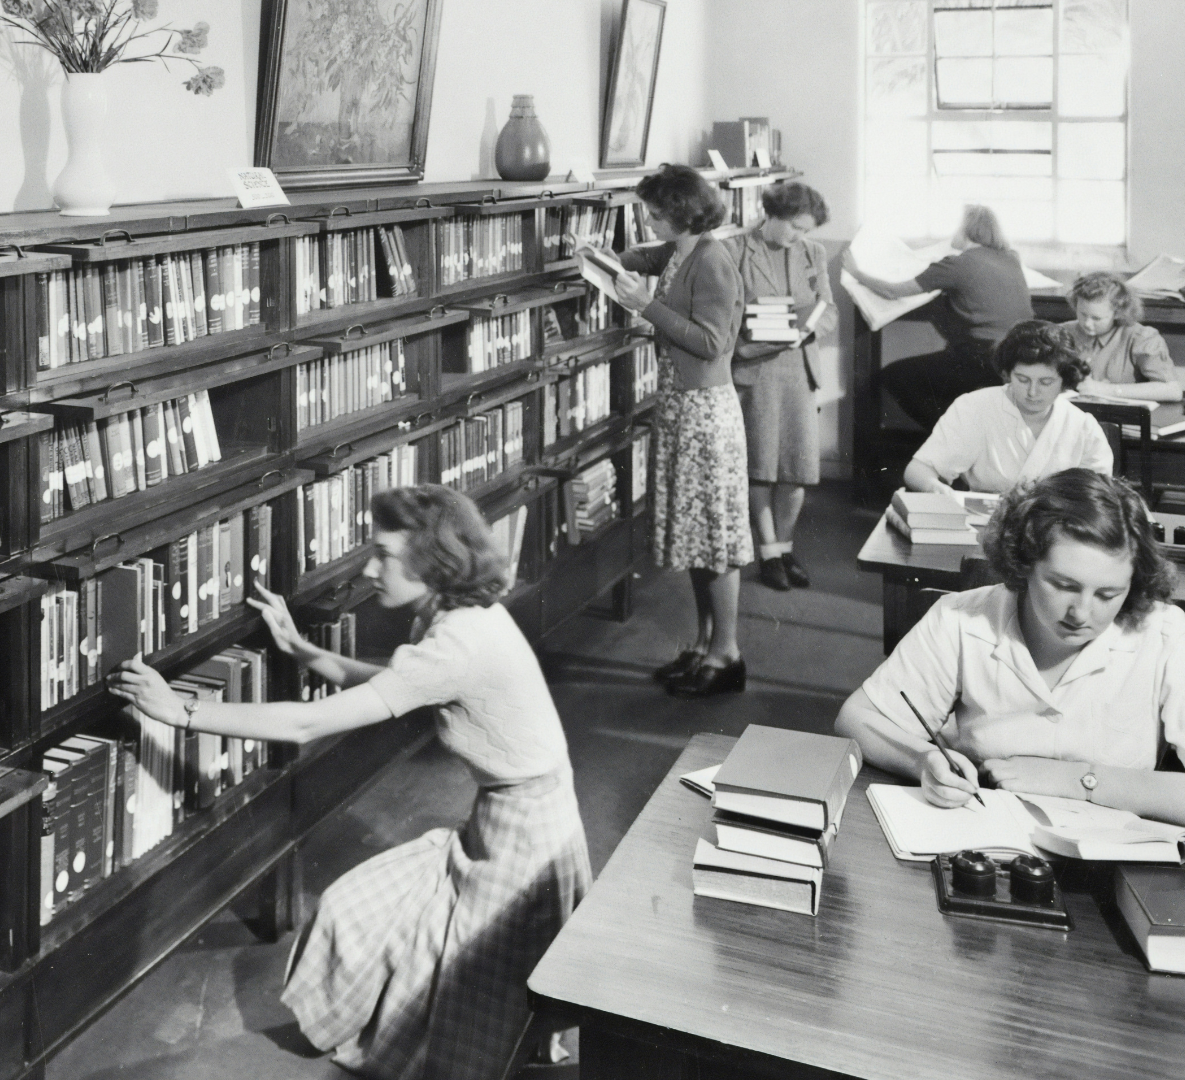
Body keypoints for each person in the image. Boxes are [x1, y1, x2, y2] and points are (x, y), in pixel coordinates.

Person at [109, 485, 591, 1080]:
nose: (369, 568)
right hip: (512, 819)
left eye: (384, 555)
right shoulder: (460, 617)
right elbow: (392, 682)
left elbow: (310, 722)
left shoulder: (457, 642)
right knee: (359, 915)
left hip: (524, 842)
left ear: (433, 561)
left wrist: (180, 712)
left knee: (480, 1016)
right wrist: (301, 649)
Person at [835, 469, 1185, 836]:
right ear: (1023, 562)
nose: (1082, 612)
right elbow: (855, 718)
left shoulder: (1166, 635)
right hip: (978, 838)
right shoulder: (963, 619)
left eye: (1108, 593)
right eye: (1063, 585)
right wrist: (923, 758)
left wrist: (1078, 780)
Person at [596, 164, 753, 696]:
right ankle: (706, 643)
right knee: (695, 537)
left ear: (682, 213)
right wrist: (598, 255)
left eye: (656, 213)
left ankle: (727, 652)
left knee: (714, 539)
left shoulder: (713, 261)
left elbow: (711, 343)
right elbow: (645, 258)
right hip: (681, 408)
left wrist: (647, 307)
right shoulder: (683, 250)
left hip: (705, 413)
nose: (649, 219)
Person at [727, 182, 837, 591]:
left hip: (797, 367)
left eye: (806, 230)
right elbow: (727, 316)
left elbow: (828, 308)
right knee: (760, 466)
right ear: (770, 214)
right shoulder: (735, 251)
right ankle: (769, 550)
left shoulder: (813, 253)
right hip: (756, 368)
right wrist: (759, 337)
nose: (799, 237)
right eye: (794, 227)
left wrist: (809, 330)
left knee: (797, 465)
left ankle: (784, 547)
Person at [845, 204, 1034, 430]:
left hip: (983, 356)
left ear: (965, 230)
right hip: (1016, 354)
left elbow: (892, 292)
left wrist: (856, 272)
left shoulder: (958, 264)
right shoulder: (1010, 258)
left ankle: (952, 435)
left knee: (893, 377)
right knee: (946, 376)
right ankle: (958, 433)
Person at [903, 320, 1112, 497]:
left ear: (1065, 381)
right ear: (1007, 373)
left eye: (1046, 382)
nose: (1032, 392)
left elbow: (1099, 494)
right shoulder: (975, 407)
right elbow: (918, 470)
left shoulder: (1082, 425)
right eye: (1022, 379)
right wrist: (936, 489)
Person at [1056, 272, 1183, 402]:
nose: (1087, 323)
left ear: (1118, 313)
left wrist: (1104, 390)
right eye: (1082, 314)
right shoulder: (1061, 332)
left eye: (1097, 318)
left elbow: (1173, 391)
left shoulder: (1141, 337)